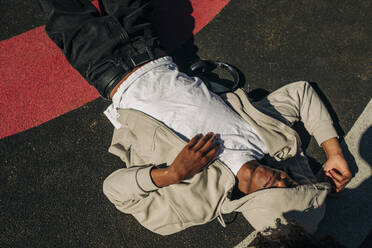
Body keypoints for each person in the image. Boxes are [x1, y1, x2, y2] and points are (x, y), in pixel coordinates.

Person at [43, 0, 352, 236]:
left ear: (263, 206)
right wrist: (333, 151)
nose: (284, 179)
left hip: (108, 71)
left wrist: (172, 174)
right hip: (148, 45)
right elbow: (300, 94)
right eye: (293, 181)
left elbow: (115, 191)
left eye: (285, 190)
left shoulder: (189, 209)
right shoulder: (270, 141)